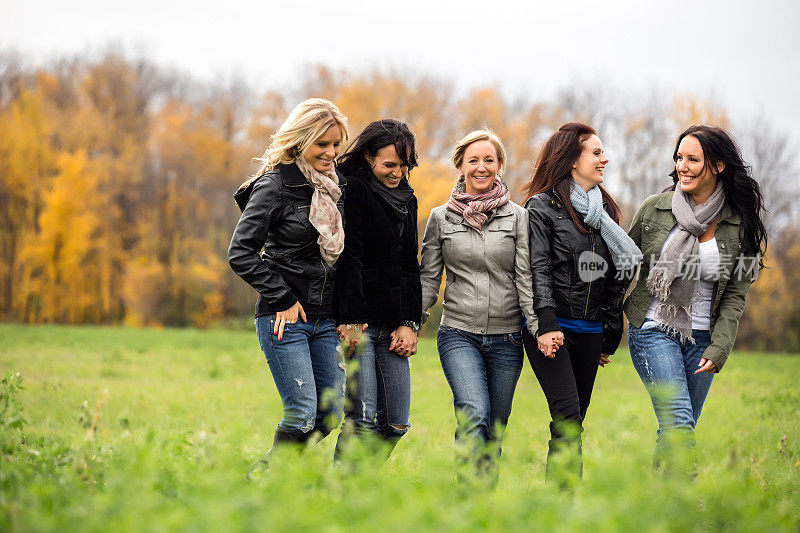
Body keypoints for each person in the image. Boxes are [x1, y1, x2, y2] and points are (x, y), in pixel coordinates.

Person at [625, 124, 766, 472]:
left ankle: (660, 509)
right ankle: (692, 512)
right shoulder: (654, 210)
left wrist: (720, 348)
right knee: (679, 422)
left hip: (703, 339)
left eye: (692, 159)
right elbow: (620, 266)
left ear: (717, 166)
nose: (681, 166)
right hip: (654, 329)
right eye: (679, 158)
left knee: (674, 429)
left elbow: (736, 293)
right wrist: (602, 326)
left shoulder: (740, 222)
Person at [228, 98, 349, 457]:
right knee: (301, 415)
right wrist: (282, 298)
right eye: (322, 144)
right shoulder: (275, 185)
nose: (331, 152)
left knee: (328, 414)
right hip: (285, 317)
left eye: (336, 144)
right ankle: (273, 486)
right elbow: (240, 252)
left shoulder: (337, 187)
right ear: (299, 141)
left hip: (326, 317)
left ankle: (273, 477)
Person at [521, 122, 641, 484]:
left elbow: (615, 277)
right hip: (552, 328)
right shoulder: (542, 207)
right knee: (568, 417)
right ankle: (563, 503)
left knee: (574, 422)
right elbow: (537, 268)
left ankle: (560, 508)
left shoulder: (605, 212)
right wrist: (546, 324)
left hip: (590, 331)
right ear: (573, 160)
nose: (605, 159)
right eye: (597, 152)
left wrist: (608, 333)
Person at [420, 129, 537, 479]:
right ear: (460, 166)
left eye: (489, 160)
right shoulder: (441, 219)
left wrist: (539, 327)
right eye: (473, 160)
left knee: (494, 429)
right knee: (474, 414)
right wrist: (411, 322)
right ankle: (467, 500)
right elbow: (428, 279)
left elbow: (526, 278)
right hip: (459, 333)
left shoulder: (518, 217)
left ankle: (482, 509)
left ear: (499, 165)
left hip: (507, 339)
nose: (481, 167)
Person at [333, 119, 422, 462]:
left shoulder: (407, 198)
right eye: (389, 165)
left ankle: (362, 485)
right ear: (369, 157)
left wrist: (409, 322)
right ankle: (346, 495)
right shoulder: (353, 190)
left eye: (404, 165)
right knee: (363, 420)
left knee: (396, 423)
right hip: (360, 322)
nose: (397, 173)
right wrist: (352, 320)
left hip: (394, 324)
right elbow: (349, 256)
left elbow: (409, 265)